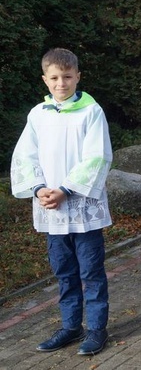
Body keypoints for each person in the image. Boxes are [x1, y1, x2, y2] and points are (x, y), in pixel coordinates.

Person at [11, 48, 112, 356]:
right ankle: (70, 326)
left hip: (80, 207)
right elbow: (25, 156)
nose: (61, 83)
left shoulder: (90, 111)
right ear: (45, 79)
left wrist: (66, 189)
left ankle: (96, 329)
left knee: (91, 272)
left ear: (77, 77)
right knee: (64, 272)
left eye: (67, 77)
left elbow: (97, 156)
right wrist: (40, 187)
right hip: (51, 210)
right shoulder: (37, 115)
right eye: (54, 78)